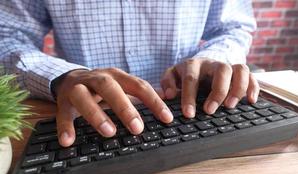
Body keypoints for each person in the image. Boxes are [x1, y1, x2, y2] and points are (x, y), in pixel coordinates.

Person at [0, 1, 259, 147]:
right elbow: (7, 35)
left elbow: (234, 27)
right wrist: (61, 75)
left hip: (191, 110)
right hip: (87, 119)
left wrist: (213, 60)